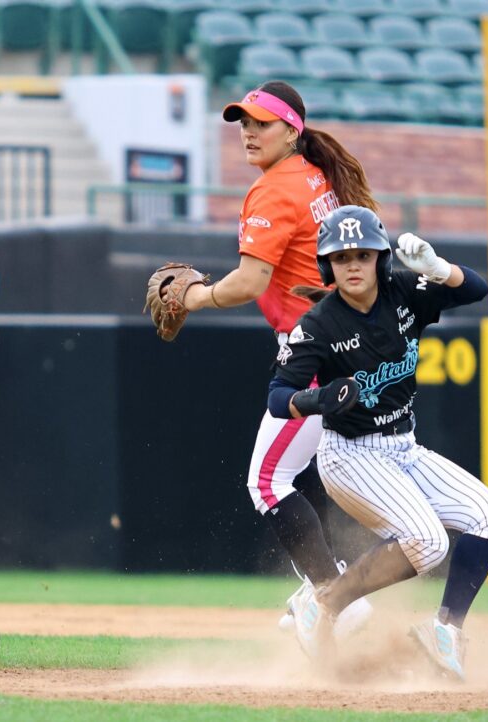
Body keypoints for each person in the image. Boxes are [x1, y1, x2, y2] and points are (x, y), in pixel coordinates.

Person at [268, 205, 488, 680]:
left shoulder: (404, 292)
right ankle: (325, 602)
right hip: (349, 455)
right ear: (327, 266)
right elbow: (278, 397)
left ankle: (445, 630)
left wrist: (440, 271)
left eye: (363, 254)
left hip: (404, 447)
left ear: (381, 258)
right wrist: (317, 399)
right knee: (427, 541)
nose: (353, 265)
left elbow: (478, 289)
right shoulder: (318, 324)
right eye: (341, 258)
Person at [178, 81, 376, 631]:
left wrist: (196, 297)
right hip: (349, 345)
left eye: (261, 122)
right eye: (242, 122)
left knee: (268, 483)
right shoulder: (317, 178)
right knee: (313, 476)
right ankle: (331, 592)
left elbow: (249, 282)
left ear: (292, 130)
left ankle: (339, 597)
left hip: (315, 354)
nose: (248, 131)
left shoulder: (274, 189)